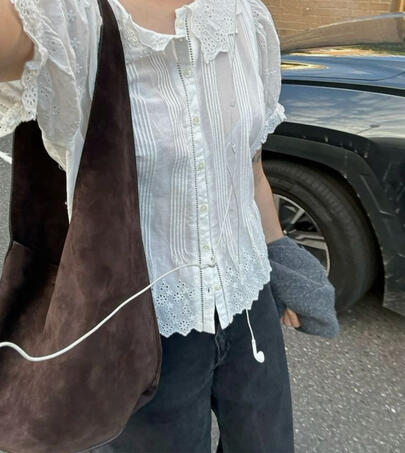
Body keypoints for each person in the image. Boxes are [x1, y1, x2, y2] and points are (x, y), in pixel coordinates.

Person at [0, 0, 300, 451]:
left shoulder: (245, 15)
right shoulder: (68, 17)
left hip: (249, 302)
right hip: (137, 328)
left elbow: (250, 167)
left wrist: (282, 258)